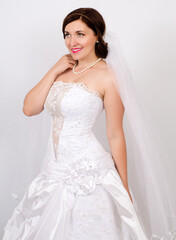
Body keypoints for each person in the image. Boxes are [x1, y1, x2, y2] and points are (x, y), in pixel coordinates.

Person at [2, 7, 175, 240]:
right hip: (52, 169)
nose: (72, 41)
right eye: (67, 34)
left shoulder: (109, 76)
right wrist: (54, 70)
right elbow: (29, 108)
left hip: (89, 172)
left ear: (97, 35)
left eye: (80, 34)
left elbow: (115, 134)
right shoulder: (62, 71)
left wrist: (123, 187)